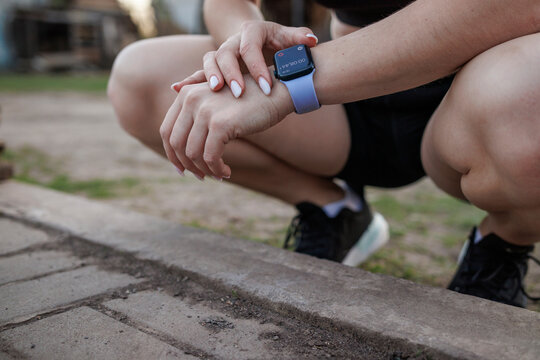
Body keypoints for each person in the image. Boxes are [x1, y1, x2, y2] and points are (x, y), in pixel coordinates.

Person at [108, 0, 540, 308]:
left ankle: (502, 243)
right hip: (342, 109)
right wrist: (247, 43)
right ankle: (337, 212)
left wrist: (293, 82)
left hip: (475, 95)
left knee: (531, 100)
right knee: (140, 79)